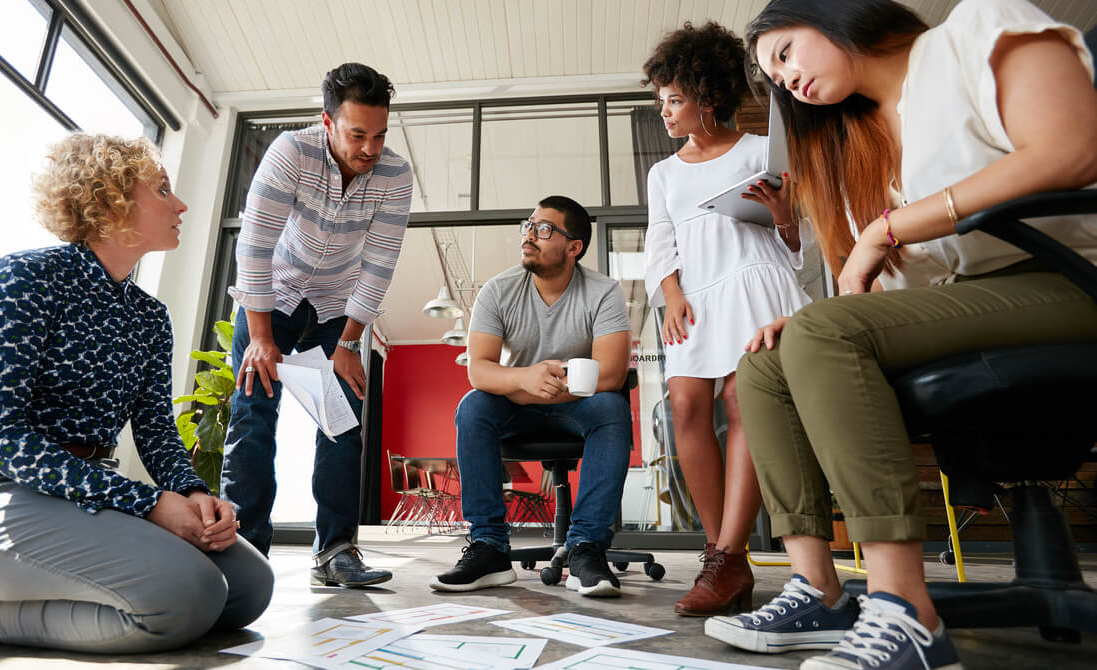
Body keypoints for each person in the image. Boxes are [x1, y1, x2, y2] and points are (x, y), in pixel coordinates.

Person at [702, 1, 1097, 669]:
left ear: (833, 14)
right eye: (773, 75)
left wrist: (891, 227)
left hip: (1066, 282)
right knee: (766, 363)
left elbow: (1072, 147)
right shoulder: (858, 144)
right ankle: (819, 590)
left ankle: (902, 609)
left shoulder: (975, 30)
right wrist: (809, 319)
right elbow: (885, 293)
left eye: (788, 52)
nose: (785, 79)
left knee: (822, 332)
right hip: (963, 309)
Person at [0, 134, 274, 652]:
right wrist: (148, 503)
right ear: (110, 200)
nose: (179, 204)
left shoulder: (150, 317)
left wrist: (195, 494)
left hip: (78, 491)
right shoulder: (24, 278)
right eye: (162, 190)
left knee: (248, 589)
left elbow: (156, 431)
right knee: (188, 595)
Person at [219, 62, 413, 588]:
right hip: (272, 298)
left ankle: (336, 551)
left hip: (336, 307)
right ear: (326, 121)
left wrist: (349, 342)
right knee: (254, 416)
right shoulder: (291, 153)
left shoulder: (395, 175)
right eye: (357, 135)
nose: (370, 149)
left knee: (341, 419)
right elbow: (255, 246)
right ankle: (245, 549)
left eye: (379, 135)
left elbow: (380, 262)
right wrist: (260, 338)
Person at [641, 21, 811, 617]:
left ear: (708, 97)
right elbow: (659, 242)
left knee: (744, 405)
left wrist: (787, 217)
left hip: (757, 284)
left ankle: (725, 555)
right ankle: (724, 557)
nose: (664, 111)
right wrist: (670, 293)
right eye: (660, 100)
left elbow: (798, 245)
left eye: (675, 99)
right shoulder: (663, 174)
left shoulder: (761, 151)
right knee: (685, 406)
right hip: (695, 298)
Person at [430, 196, 633, 598]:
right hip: (517, 404)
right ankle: (489, 548)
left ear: (573, 246)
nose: (529, 236)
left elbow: (610, 373)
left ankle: (585, 549)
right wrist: (525, 381)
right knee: (473, 407)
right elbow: (479, 369)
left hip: (578, 405)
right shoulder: (498, 290)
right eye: (529, 226)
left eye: (544, 230)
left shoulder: (604, 291)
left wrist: (535, 390)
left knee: (613, 406)